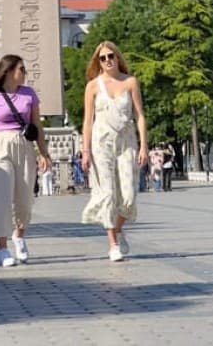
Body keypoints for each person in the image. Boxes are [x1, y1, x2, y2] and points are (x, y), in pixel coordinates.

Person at [0, 54, 50, 268]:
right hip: (1, 143)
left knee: (24, 198)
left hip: (24, 144)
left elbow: (37, 127)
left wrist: (44, 153)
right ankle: (2, 248)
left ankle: (19, 234)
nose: (25, 73)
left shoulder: (29, 94)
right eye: (22, 69)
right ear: (9, 71)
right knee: (1, 197)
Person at [80, 41, 148, 263]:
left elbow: (139, 115)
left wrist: (144, 145)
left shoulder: (130, 82)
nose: (108, 60)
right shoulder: (92, 86)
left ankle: (118, 229)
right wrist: (85, 150)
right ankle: (113, 244)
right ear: (98, 61)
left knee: (129, 195)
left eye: (111, 56)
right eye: (103, 57)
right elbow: (88, 121)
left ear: (118, 58)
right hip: (102, 143)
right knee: (108, 193)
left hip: (126, 141)